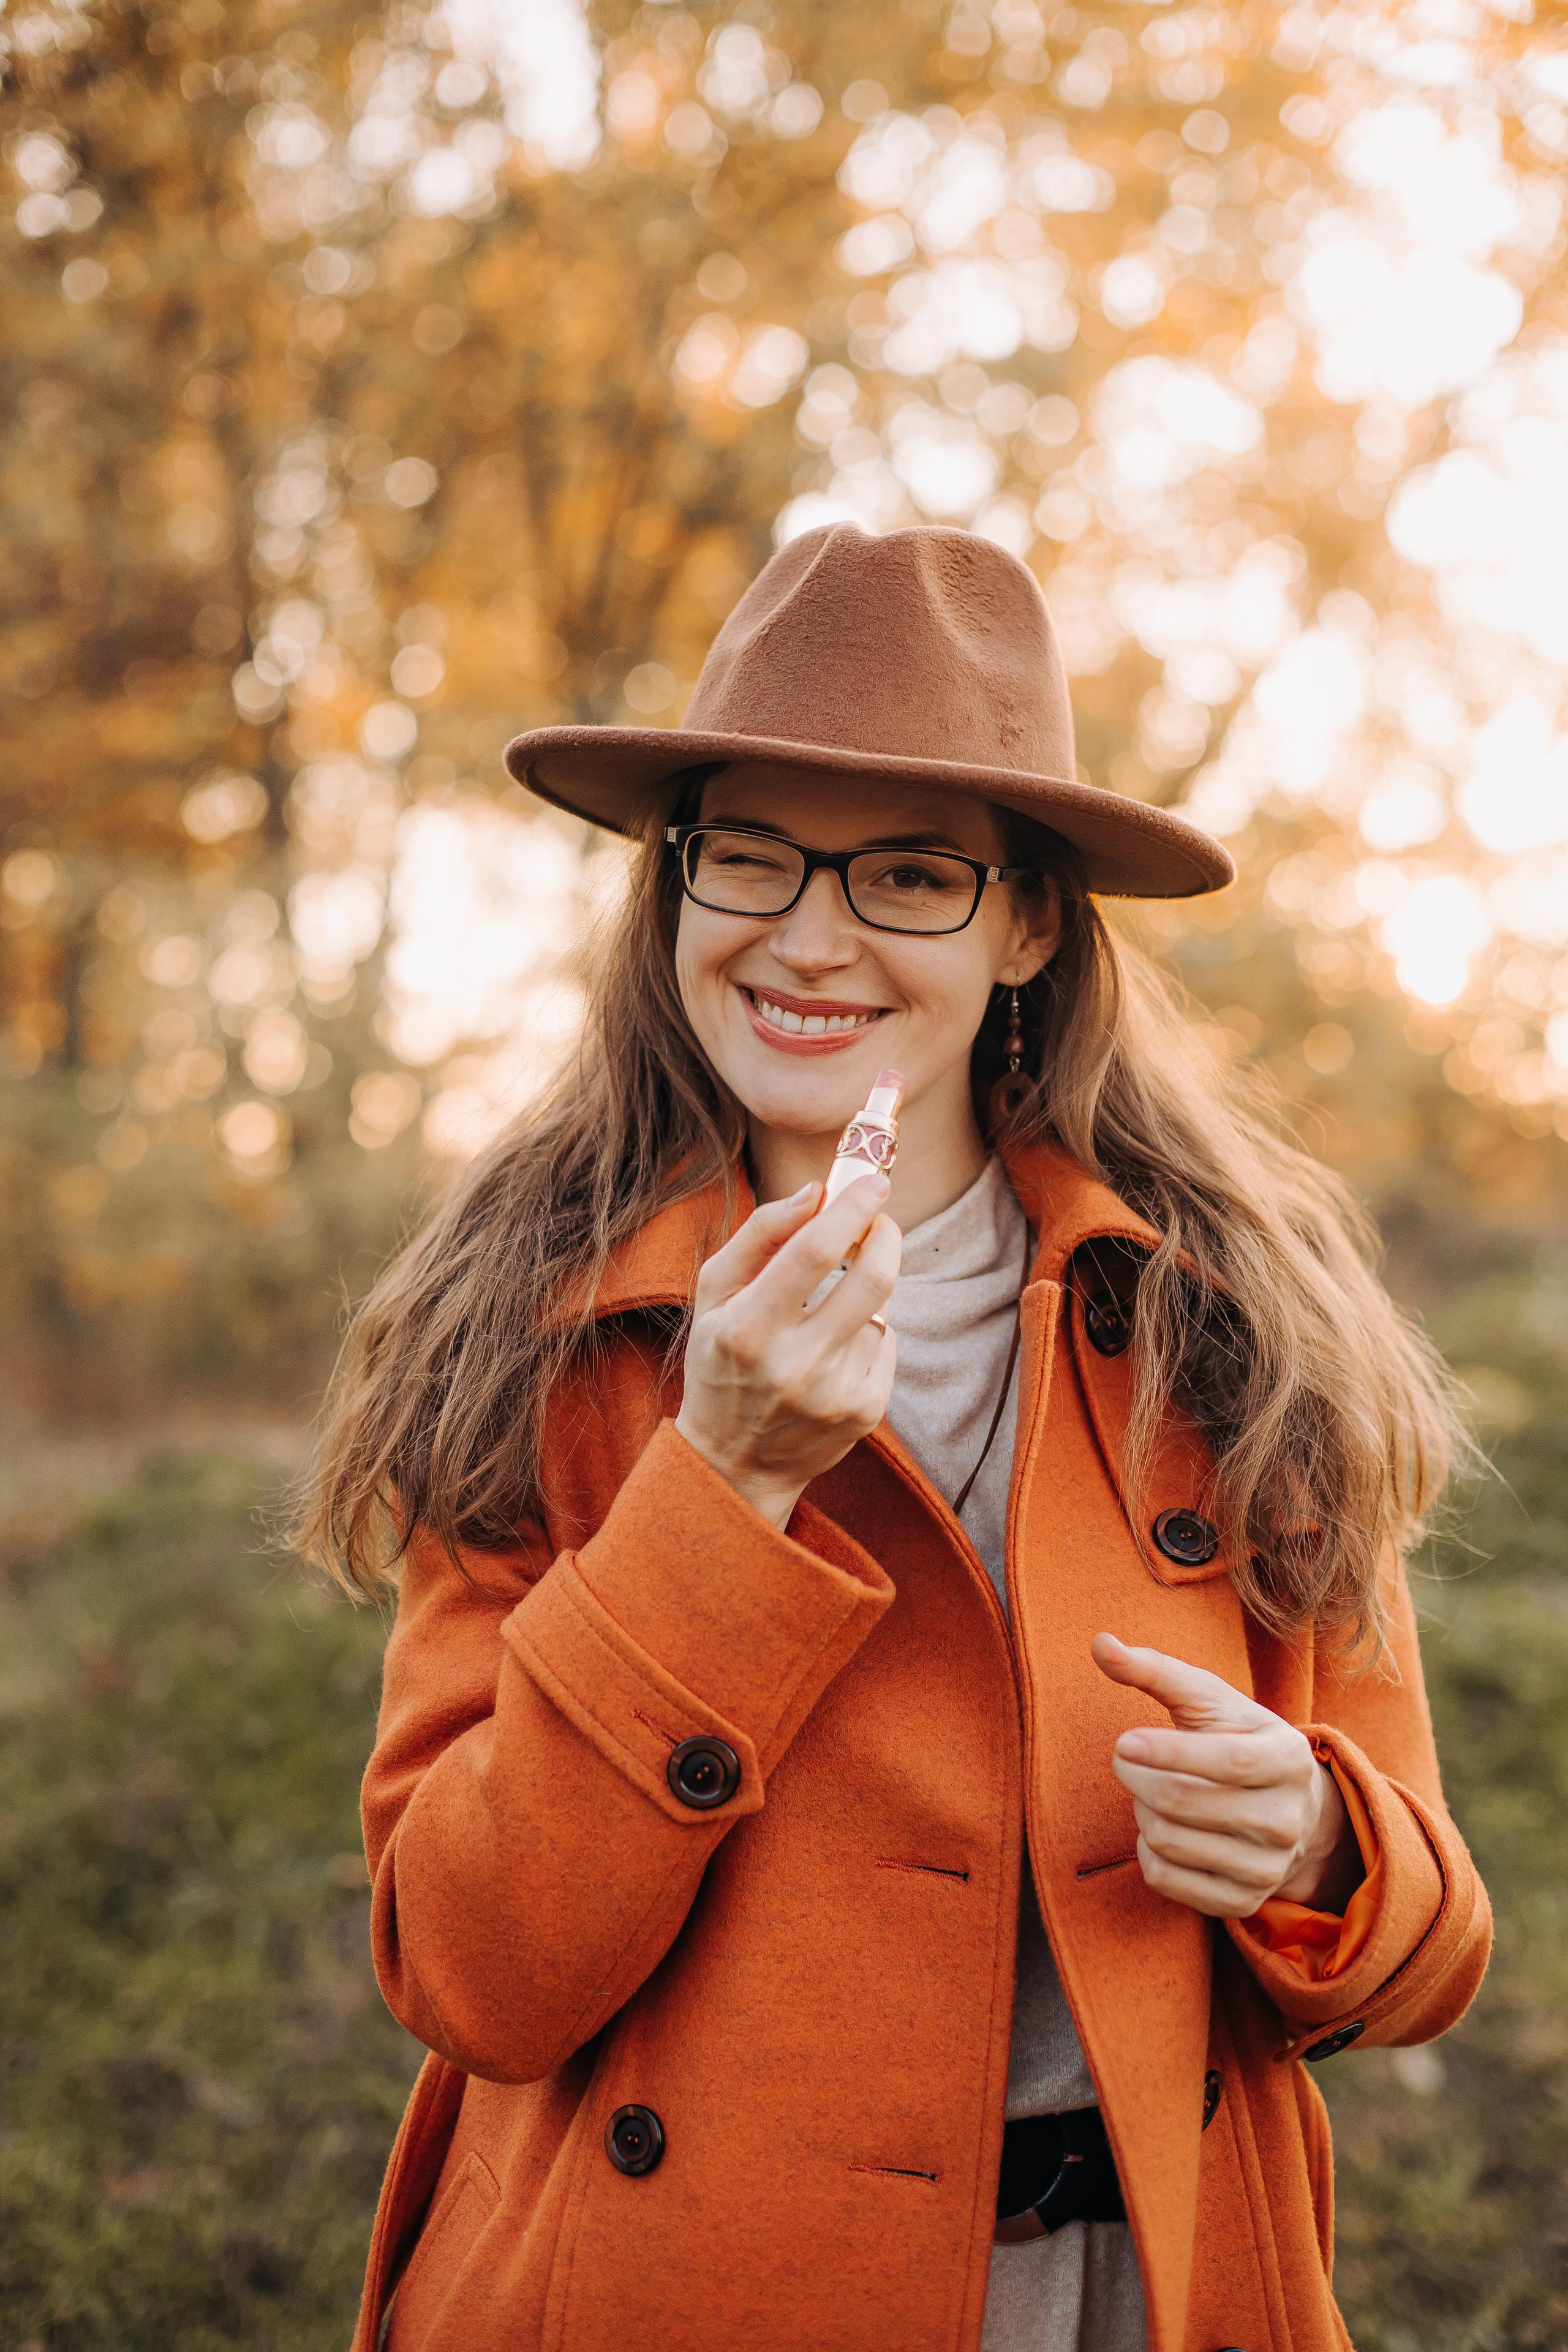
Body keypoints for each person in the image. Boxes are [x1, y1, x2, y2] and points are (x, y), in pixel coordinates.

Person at [297, 524, 1491, 2352]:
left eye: (912, 876)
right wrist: (722, 1487)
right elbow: (472, 1970)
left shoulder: (1239, 1337)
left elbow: (1426, 1953)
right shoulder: (529, 1334)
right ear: (678, 888)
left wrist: (1326, 1850)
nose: (812, 935)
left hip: (1138, 2292)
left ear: (1026, 923)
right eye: (752, 855)